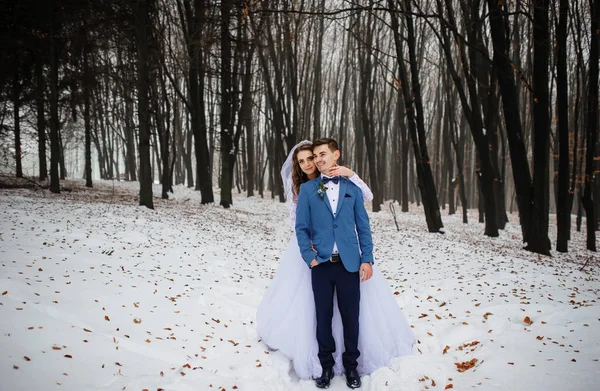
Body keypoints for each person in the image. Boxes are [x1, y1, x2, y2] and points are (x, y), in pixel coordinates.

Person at [256, 139, 414, 386]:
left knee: (351, 318)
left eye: (321, 155)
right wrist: (310, 258)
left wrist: (367, 259)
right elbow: (301, 228)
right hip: (320, 264)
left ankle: (351, 366)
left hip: (349, 264)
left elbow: (363, 227)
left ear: (335, 155)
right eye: (313, 156)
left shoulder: (351, 187)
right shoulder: (309, 189)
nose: (317, 160)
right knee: (323, 317)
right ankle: (326, 367)